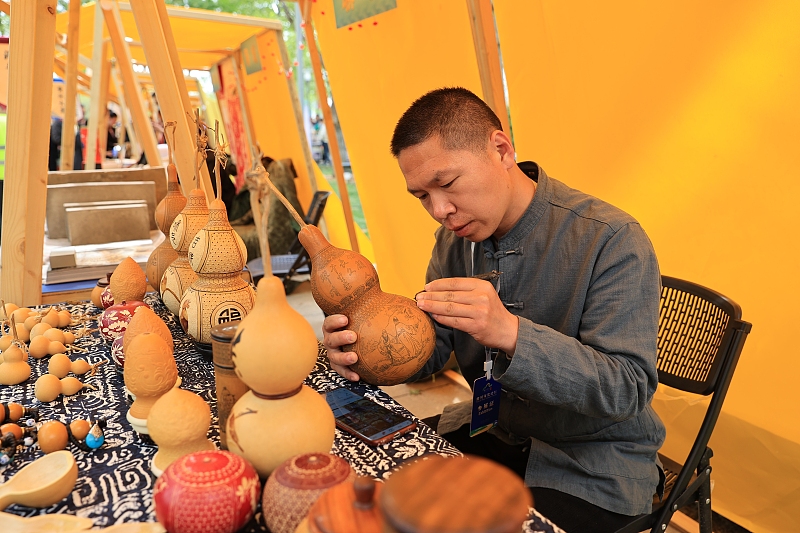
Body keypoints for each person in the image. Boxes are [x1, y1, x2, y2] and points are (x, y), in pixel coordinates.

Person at [322, 87, 665, 533]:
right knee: (376, 496)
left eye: (446, 184)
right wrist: (364, 348)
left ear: (501, 149)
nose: (440, 210)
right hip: (494, 432)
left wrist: (511, 333)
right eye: (421, 196)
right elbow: (431, 349)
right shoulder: (454, 242)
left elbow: (627, 389)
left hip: (592, 464)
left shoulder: (610, 240)